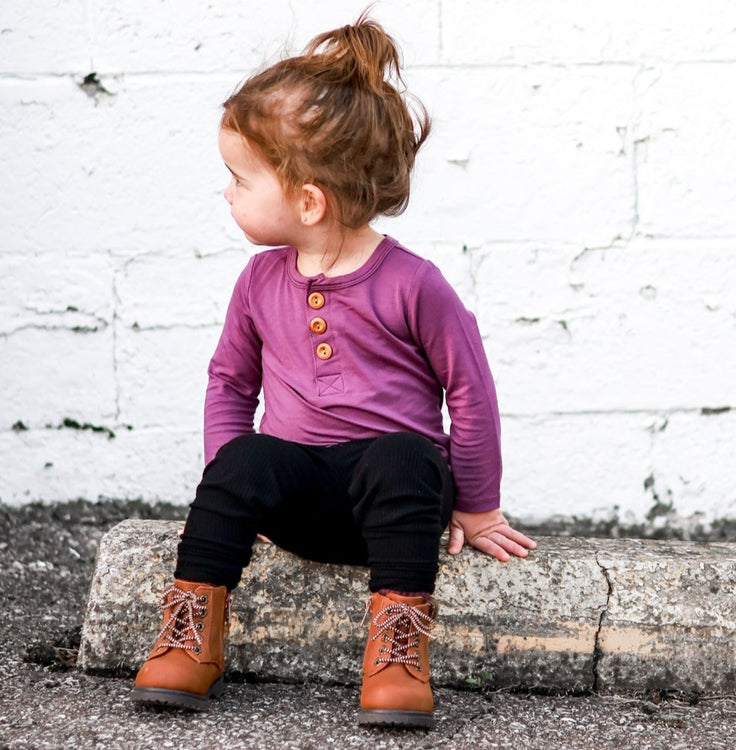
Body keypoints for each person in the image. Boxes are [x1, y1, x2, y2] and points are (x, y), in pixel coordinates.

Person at [132, 12, 536, 729]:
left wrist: (477, 504)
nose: (227, 192)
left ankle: (396, 655)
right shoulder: (259, 282)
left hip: (394, 506)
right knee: (243, 457)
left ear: (308, 200)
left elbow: (470, 391)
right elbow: (230, 383)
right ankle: (191, 634)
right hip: (298, 500)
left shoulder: (415, 284)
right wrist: (238, 492)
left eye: (239, 178)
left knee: (403, 454)